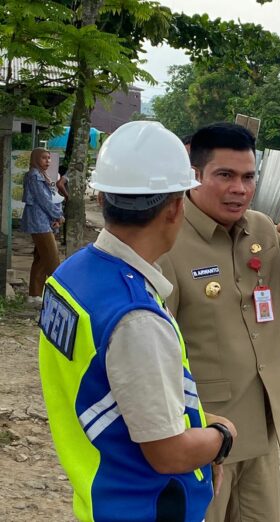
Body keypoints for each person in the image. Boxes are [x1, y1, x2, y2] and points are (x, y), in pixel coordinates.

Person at [38, 121, 237, 522]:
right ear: (176, 207)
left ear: (104, 195)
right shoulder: (135, 317)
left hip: (99, 489)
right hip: (145, 506)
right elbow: (169, 453)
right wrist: (222, 436)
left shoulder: (70, 275)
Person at [158, 122, 280, 522]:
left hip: (262, 422)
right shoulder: (169, 237)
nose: (239, 188)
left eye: (247, 177)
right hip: (205, 432)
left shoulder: (261, 228)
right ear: (195, 175)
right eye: (224, 175)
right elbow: (157, 346)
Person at [20, 147, 64, 306]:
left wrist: (56, 216)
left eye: (49, 158)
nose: (48, 161)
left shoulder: (40, 175)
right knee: (53, 260)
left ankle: (34, 295)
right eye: (44, 158)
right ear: (35, 159)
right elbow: (44, 200)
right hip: (39, 222)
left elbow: (52, 197)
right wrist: (58, 216)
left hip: (43, 221)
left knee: (40, 260)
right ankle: (59, 298)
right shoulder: (34, 176)